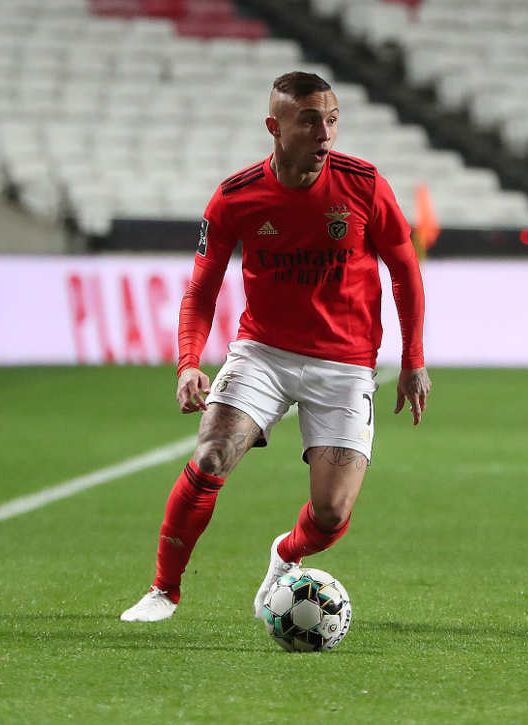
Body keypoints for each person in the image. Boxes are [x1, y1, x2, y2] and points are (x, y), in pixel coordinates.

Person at [121, 71, 431, 622]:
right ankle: (163, 590)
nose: (326, 133)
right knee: (211, 455)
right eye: (311, 120)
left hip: (347, 363)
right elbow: (201, 290)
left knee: (332, 514)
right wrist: (187, 364)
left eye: (332, 120)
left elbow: (406, 271)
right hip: (263, 353)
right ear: (275, 127)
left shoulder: (364, 184)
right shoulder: (236, 197)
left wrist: (413, 361)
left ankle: (285, 554)